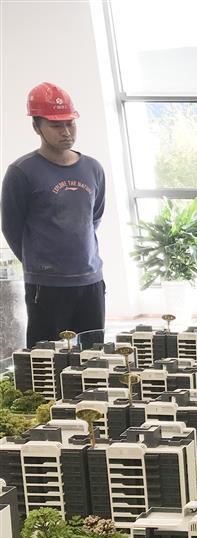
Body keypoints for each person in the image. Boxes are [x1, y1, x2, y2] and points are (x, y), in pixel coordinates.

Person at [1, 82, 106, 348]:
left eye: (70, 123)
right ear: (37, 127)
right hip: (46, 287)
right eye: (56, 125)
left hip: (90, 280)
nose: (66, 132)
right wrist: (40, 263)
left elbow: (94, 217)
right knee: (46, 359)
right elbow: (11, 226)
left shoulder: (93, 168)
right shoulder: (21, 172)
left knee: (94, 356)